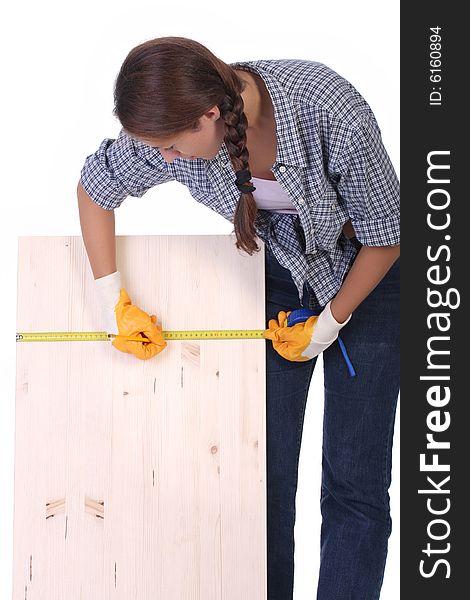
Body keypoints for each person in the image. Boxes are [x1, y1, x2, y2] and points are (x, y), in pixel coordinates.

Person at [77, 36, 400, 600]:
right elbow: (95, 189)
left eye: (174, 148)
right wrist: (115, 302)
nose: (167, 162)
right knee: (263, 477)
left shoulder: (328, 108)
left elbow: (386, 236)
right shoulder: (173, 135)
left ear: (208, 115)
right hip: (278, 270)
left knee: (355, 483)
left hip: (367, 277)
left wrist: (331, 321)